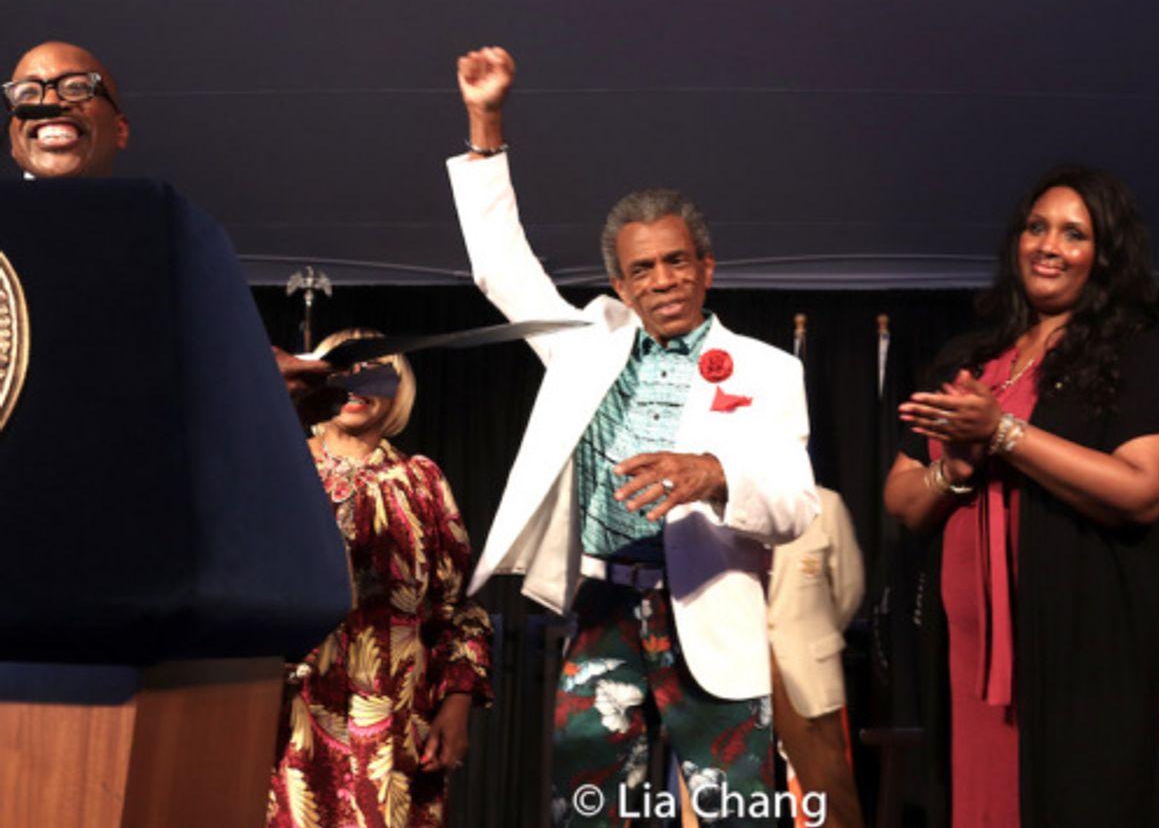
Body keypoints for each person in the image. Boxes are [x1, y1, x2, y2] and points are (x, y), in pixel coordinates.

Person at [447, 46, 819, 825]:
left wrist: (715, 471)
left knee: (737, 815)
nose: (663, 280)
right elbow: (502, 270)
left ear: (706, 267)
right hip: (602, 613)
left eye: (677, 261)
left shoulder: (768, 367)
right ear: (620, 284)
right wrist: (486, 122)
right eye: (643, 269)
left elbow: (793, 506)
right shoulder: (587, 345)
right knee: (588, 813)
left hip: (712, 614)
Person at [883, 167, 1159, 828]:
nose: (1049, 245)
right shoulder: (969, 357)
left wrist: (999, 431)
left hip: (1092, 648)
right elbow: (903, 498)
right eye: (1037, 226)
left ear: (1105, 254)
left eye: (1074, 233)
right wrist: (959, 467)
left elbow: (1143, 489)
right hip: (971, 660)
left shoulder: (1136, 351)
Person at [267, 328, 493, 828]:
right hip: (289, 716)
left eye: (372, 370)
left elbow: (459, 607)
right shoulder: (279, 464)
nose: (353, 383)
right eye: (339, 369)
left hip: (395, 728)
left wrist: (457, 705)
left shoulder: (421, 480)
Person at [767, 487, 865, 828]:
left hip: (806, 665)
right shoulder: (718, 509)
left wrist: (814, 638)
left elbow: (848, 588)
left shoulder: (826, 505)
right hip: (742, 666)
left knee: (827, 792)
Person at [5, 41, 129, 178]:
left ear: (120, 130)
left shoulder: (151, 198)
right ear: (12, 138)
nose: (50, 102)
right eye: (28, 93)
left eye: (76, 88)